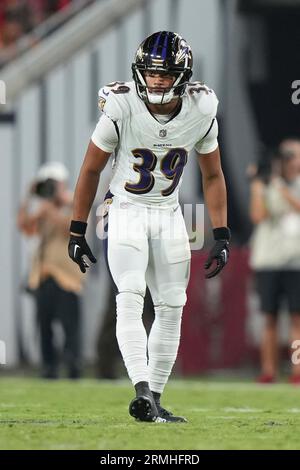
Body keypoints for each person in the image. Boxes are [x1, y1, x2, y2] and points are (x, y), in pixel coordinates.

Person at [68, 31, 230, 422]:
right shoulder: (122, 104)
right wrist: (76, 228)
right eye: (151, 73)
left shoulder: (201, 108)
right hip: (125, 208)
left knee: (173, 304)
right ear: (140, 72)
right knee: (130, 293)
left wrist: (221, 234)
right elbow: (91, 169)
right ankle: (140, 388)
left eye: (166, 74)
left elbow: (213, 175)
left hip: (172, 213)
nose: (157, 80)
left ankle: (154, 398)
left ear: (183, 75)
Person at [18, 162, 84, 379]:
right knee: (45, 324)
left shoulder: (74, 201)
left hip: (67, 277)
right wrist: (29, 197)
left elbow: (70, 228)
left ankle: (73, 364)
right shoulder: (43, 208)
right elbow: (25, 226)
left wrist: (51, 209)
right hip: (43, 274)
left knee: (69, 325)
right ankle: (49, 366)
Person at [249, 139, 300, 384]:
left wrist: (280, 186)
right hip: (268, 260)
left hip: (296, 261)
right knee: (268, 317)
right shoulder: (267, 183)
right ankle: (268, 370)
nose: (290, 160)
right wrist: (259, 185)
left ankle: (297, 370)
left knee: (297, 319)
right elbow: (258, 215)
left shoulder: (290, 185)